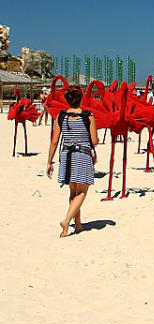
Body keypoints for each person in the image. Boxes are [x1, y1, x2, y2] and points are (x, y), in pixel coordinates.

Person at [47, 85, 97, 238]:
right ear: (81, 99)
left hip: (66, 155)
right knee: (82, 192)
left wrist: (49, 162)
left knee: (73, 191)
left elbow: (54, 142)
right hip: (82, 155)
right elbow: (94, 141)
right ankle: (67, 220)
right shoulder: (88, 116)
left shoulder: (60, 116)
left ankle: (78, 225)